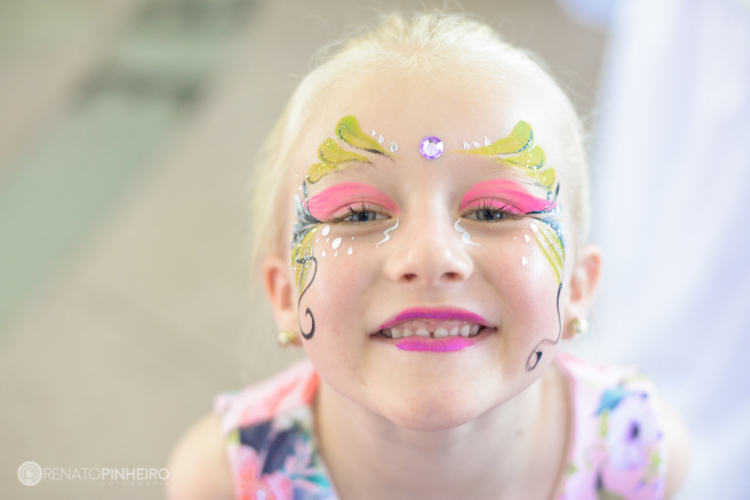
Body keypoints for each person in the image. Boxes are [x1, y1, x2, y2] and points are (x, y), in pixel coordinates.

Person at [166, 12, 689, 500]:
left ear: (576, 287)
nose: (432, 254)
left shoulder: (642, 453)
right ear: (285, 295)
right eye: (359, 215)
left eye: (493, 212)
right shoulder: (222, 481)